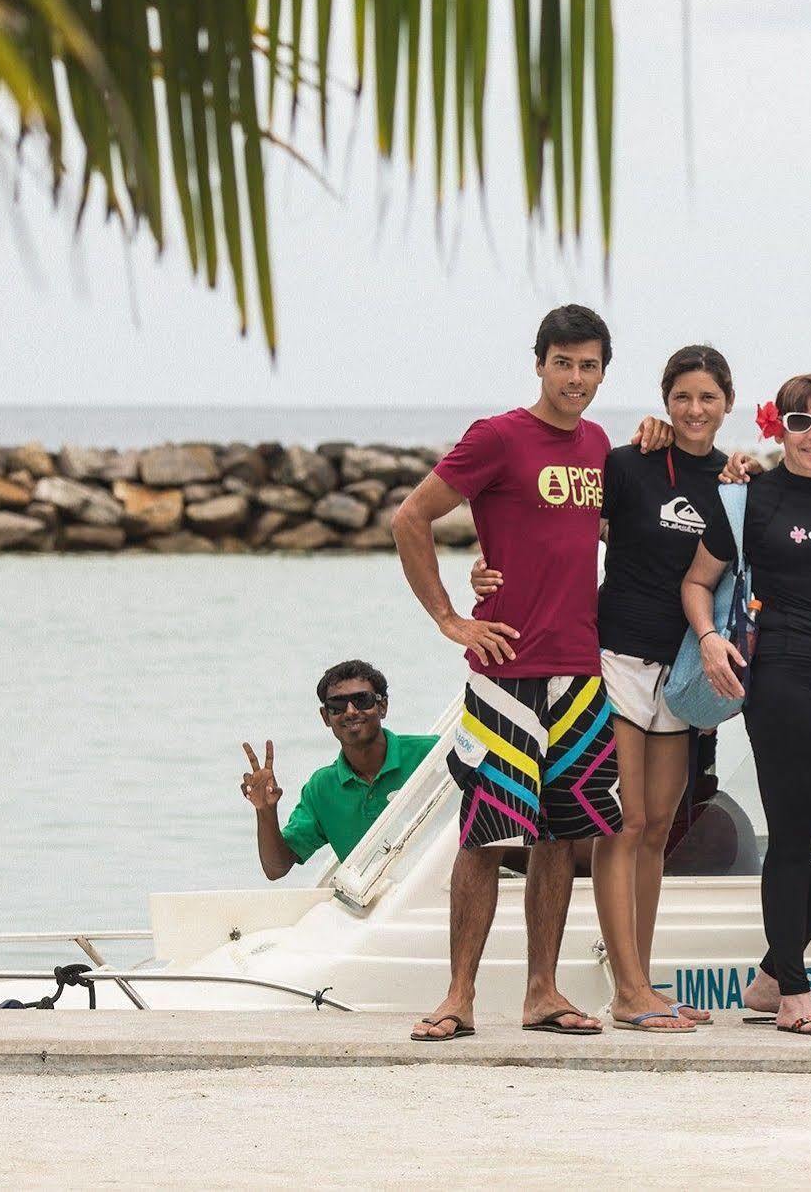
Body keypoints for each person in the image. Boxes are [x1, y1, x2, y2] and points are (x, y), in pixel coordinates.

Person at [478, 345, 740, 1032]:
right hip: (616, 655)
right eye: (681, 397)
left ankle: (643, 985)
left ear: (727, 405)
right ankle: (625, 992)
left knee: (656, 828)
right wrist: (490, 568)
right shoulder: (628, 463)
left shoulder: (737, 482)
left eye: (707, 398)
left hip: (682, 670)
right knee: (620, 824)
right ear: (664, 400)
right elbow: (559, 524)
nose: (693, 410)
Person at [390, 304, 619, 1043]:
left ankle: (542, 992)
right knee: (487, 834)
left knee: (557, 839)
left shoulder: (598, 445)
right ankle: (458, 995)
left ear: (601, 372)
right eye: (563, 363)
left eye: (589, 366)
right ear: (540, 363)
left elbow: (602, 530)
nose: (575, 378)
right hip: (506, 666)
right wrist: (451, 617)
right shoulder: (497, 436)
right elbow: (411, 518)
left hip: (581, 670)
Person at [682, 374, 811, 1038]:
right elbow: (696, 581)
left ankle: (771, 975)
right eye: (800, 421)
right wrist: (709, 639)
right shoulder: (750, 498)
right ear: (777, 427)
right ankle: (794, 995)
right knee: (793, 838)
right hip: (783, 678)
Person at [239, 660, 437, 877]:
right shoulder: (321, 789)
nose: (351, 712)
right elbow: (276, 869)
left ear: (383, 706)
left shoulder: (432, 754)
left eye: (362, 700)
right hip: (377, 906)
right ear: (326, 716)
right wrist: (265, 810)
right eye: (337, 705)